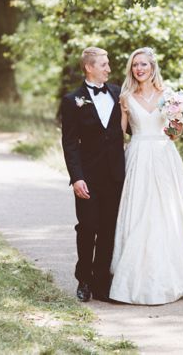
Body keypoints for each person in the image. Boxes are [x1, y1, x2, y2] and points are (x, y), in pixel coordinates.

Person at [109, 47, 183, 305]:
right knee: (139, 212)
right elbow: (119, 135)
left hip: (165, 157)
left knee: (167, 213)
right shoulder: (125, 97)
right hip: (138, 157)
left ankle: (173, 277)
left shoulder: (169, 96)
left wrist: (179, 121)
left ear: (153, 67)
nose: (139, 69)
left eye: (144, 64)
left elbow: (173, 134)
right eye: (135, 65)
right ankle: (134, 280)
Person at [60, 47, 125, 302]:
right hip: (87, 177)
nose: (109, 69)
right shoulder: (72, 100)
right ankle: (84, 279)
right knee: (87, 228)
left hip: (115, 175)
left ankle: (101, 283)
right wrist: (76, 177)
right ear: (89, 67)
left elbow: (132, 125)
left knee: (108, 229)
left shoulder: (119, 93)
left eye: (108, 64)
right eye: (104, 64)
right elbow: (70, 143)